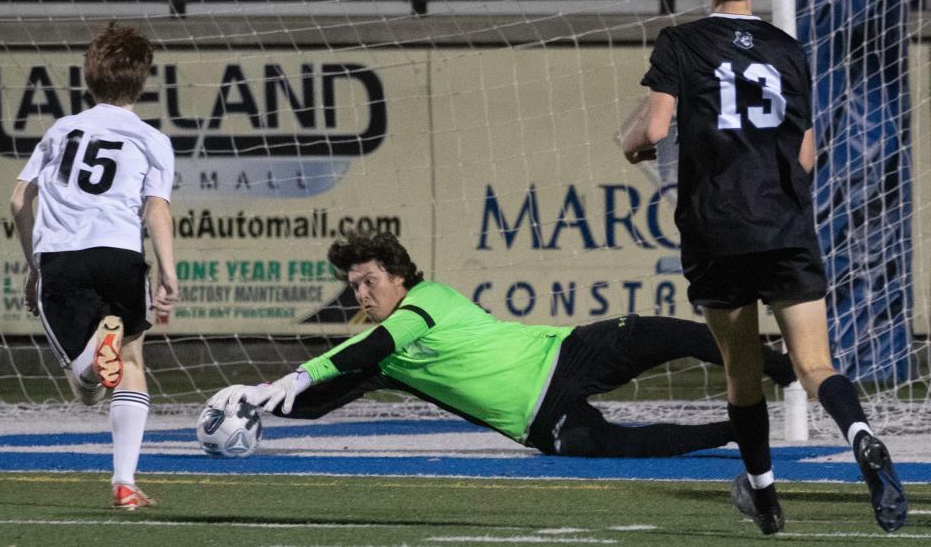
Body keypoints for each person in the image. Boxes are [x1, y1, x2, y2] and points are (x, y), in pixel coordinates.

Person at [621, 0, 906, 534]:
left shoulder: (682, 42)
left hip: (716, 228)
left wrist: (629, 143)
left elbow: (653, 131)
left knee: (742, 371)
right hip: (784, 224)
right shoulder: (787, 48)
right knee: (815, 365)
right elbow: (804, 154)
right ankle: (861, 436)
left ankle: (767, 497)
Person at [210, 231, 797, 460]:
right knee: (635, 445)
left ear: (397, 275)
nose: (361, 293)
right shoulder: (387, 356)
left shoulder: (427, 301)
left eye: (368, 281)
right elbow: (326, 396)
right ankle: (740, 430)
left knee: (666, 332)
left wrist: (293, 375)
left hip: (563, 353)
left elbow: (366, 349)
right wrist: (259, 400)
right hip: (538, 421)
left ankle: (778, 366)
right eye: (353, 286)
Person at [10, 22, 178, 511]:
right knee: (130, 363)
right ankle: (124, 483)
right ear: (143, 82)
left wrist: (34, 266)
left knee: (86, 387)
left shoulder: (61, 130)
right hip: (122, 257)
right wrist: (168, 271)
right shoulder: (152, 138)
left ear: (88, 80)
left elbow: (19, 199)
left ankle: (87, 367)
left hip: (63, 258)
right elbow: (157, 208)